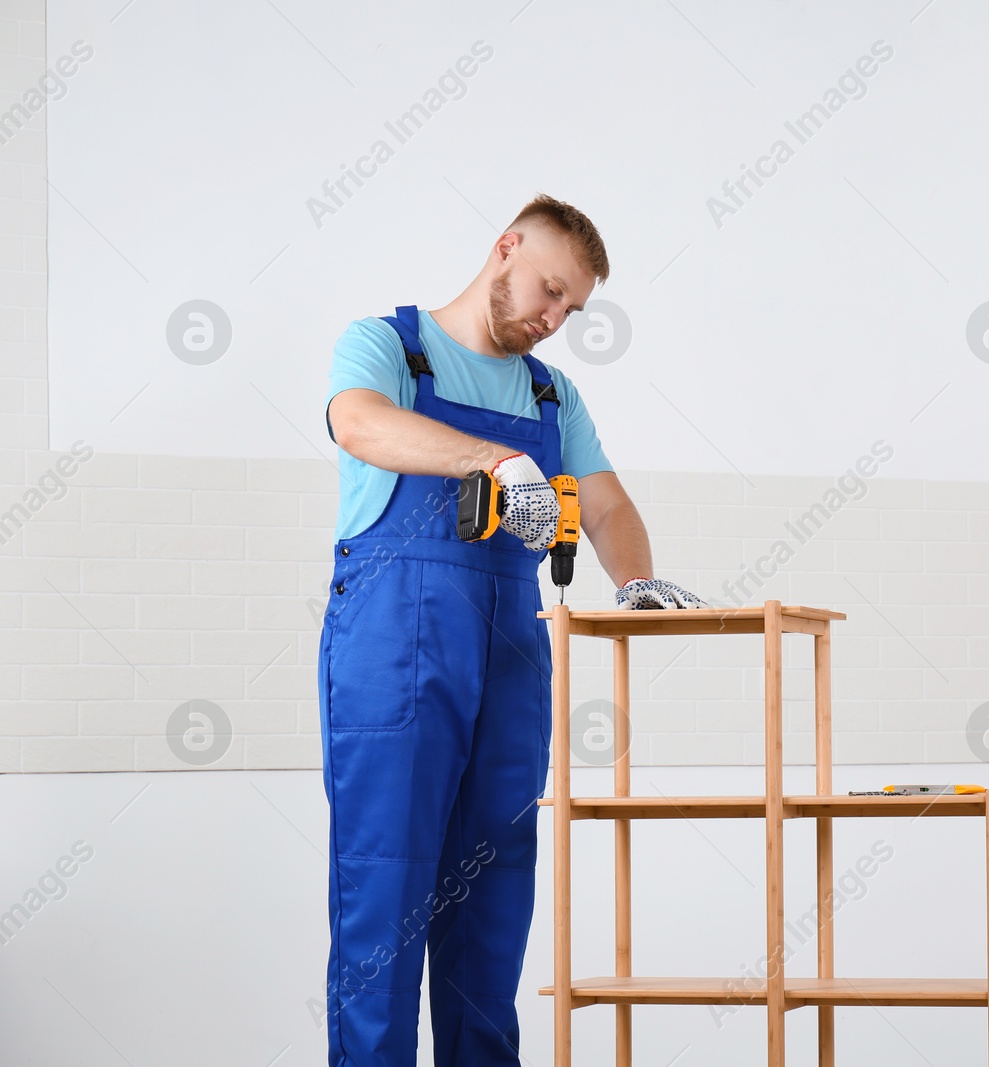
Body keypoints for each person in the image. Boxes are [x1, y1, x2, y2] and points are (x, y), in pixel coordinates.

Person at [316, 193, 706, 1065]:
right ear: (505, 249)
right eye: (550, 291)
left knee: (491, 910)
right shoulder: (389, 346)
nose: (554, 319)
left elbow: (603, 503)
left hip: (510, 659)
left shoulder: (549, 392)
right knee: (384, 898)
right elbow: (359, 423)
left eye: (572, 309)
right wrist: (496, 457)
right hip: (392, 650)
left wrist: (636, 579)